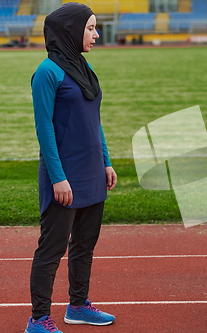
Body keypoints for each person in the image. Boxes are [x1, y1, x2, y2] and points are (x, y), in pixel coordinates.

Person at [27, 3, 117, 333]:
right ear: (69, 30)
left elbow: (94, 121)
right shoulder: (47, 72)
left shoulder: (83, 66)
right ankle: (38, 320)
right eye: (91, 28)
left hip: (92, 171)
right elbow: (44, 130)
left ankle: (78, 306)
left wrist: (105, 161)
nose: (96, 34)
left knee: (84, 244)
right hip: (64, 176)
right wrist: (58, 177)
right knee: (52, 248)